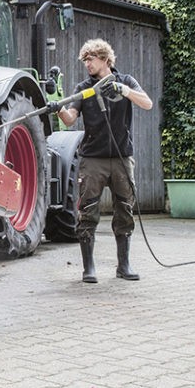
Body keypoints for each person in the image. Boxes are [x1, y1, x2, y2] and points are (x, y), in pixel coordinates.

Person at [52, 38, 154, 283]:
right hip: (92, 160)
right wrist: (57, 106)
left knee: (125, 210)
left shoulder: (126, 81)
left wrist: (124, 91)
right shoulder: (84, 87)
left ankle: (124, 266)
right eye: (85, 60)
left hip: (121, 158)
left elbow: (147, 103)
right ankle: (88, 268)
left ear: (105, 59)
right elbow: (69, 119)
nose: (87, 64)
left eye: (91, 59)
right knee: (87, 212)